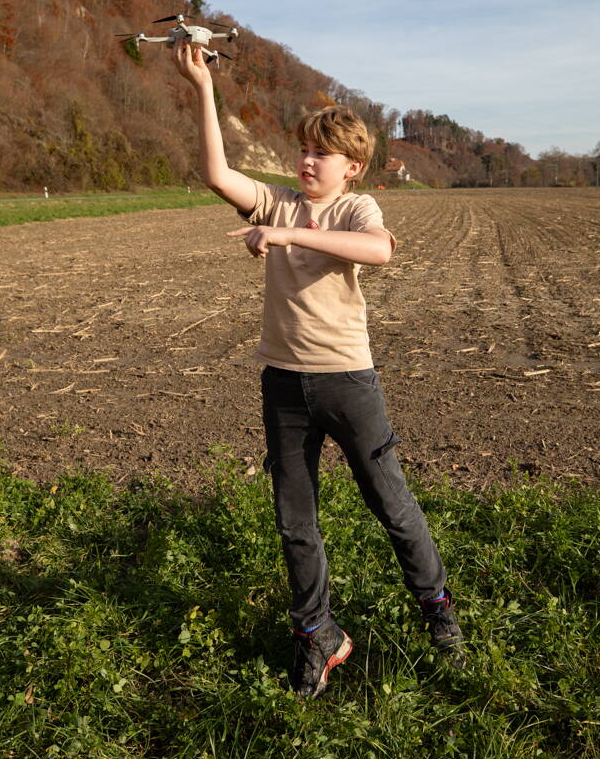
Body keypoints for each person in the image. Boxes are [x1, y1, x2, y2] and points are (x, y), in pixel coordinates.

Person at [173, 41, 464, 699]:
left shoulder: (353, 210)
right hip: (283, 384)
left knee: (388, 501)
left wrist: (288, 234)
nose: (305, 160)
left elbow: (379, 251)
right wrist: (201, 88)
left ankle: (435, 603)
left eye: (320, 154)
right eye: (301, 150)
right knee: (293, 519)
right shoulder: (274, 200)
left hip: (347, 383)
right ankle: (318, 637)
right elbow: (217, 174)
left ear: (351, 167)